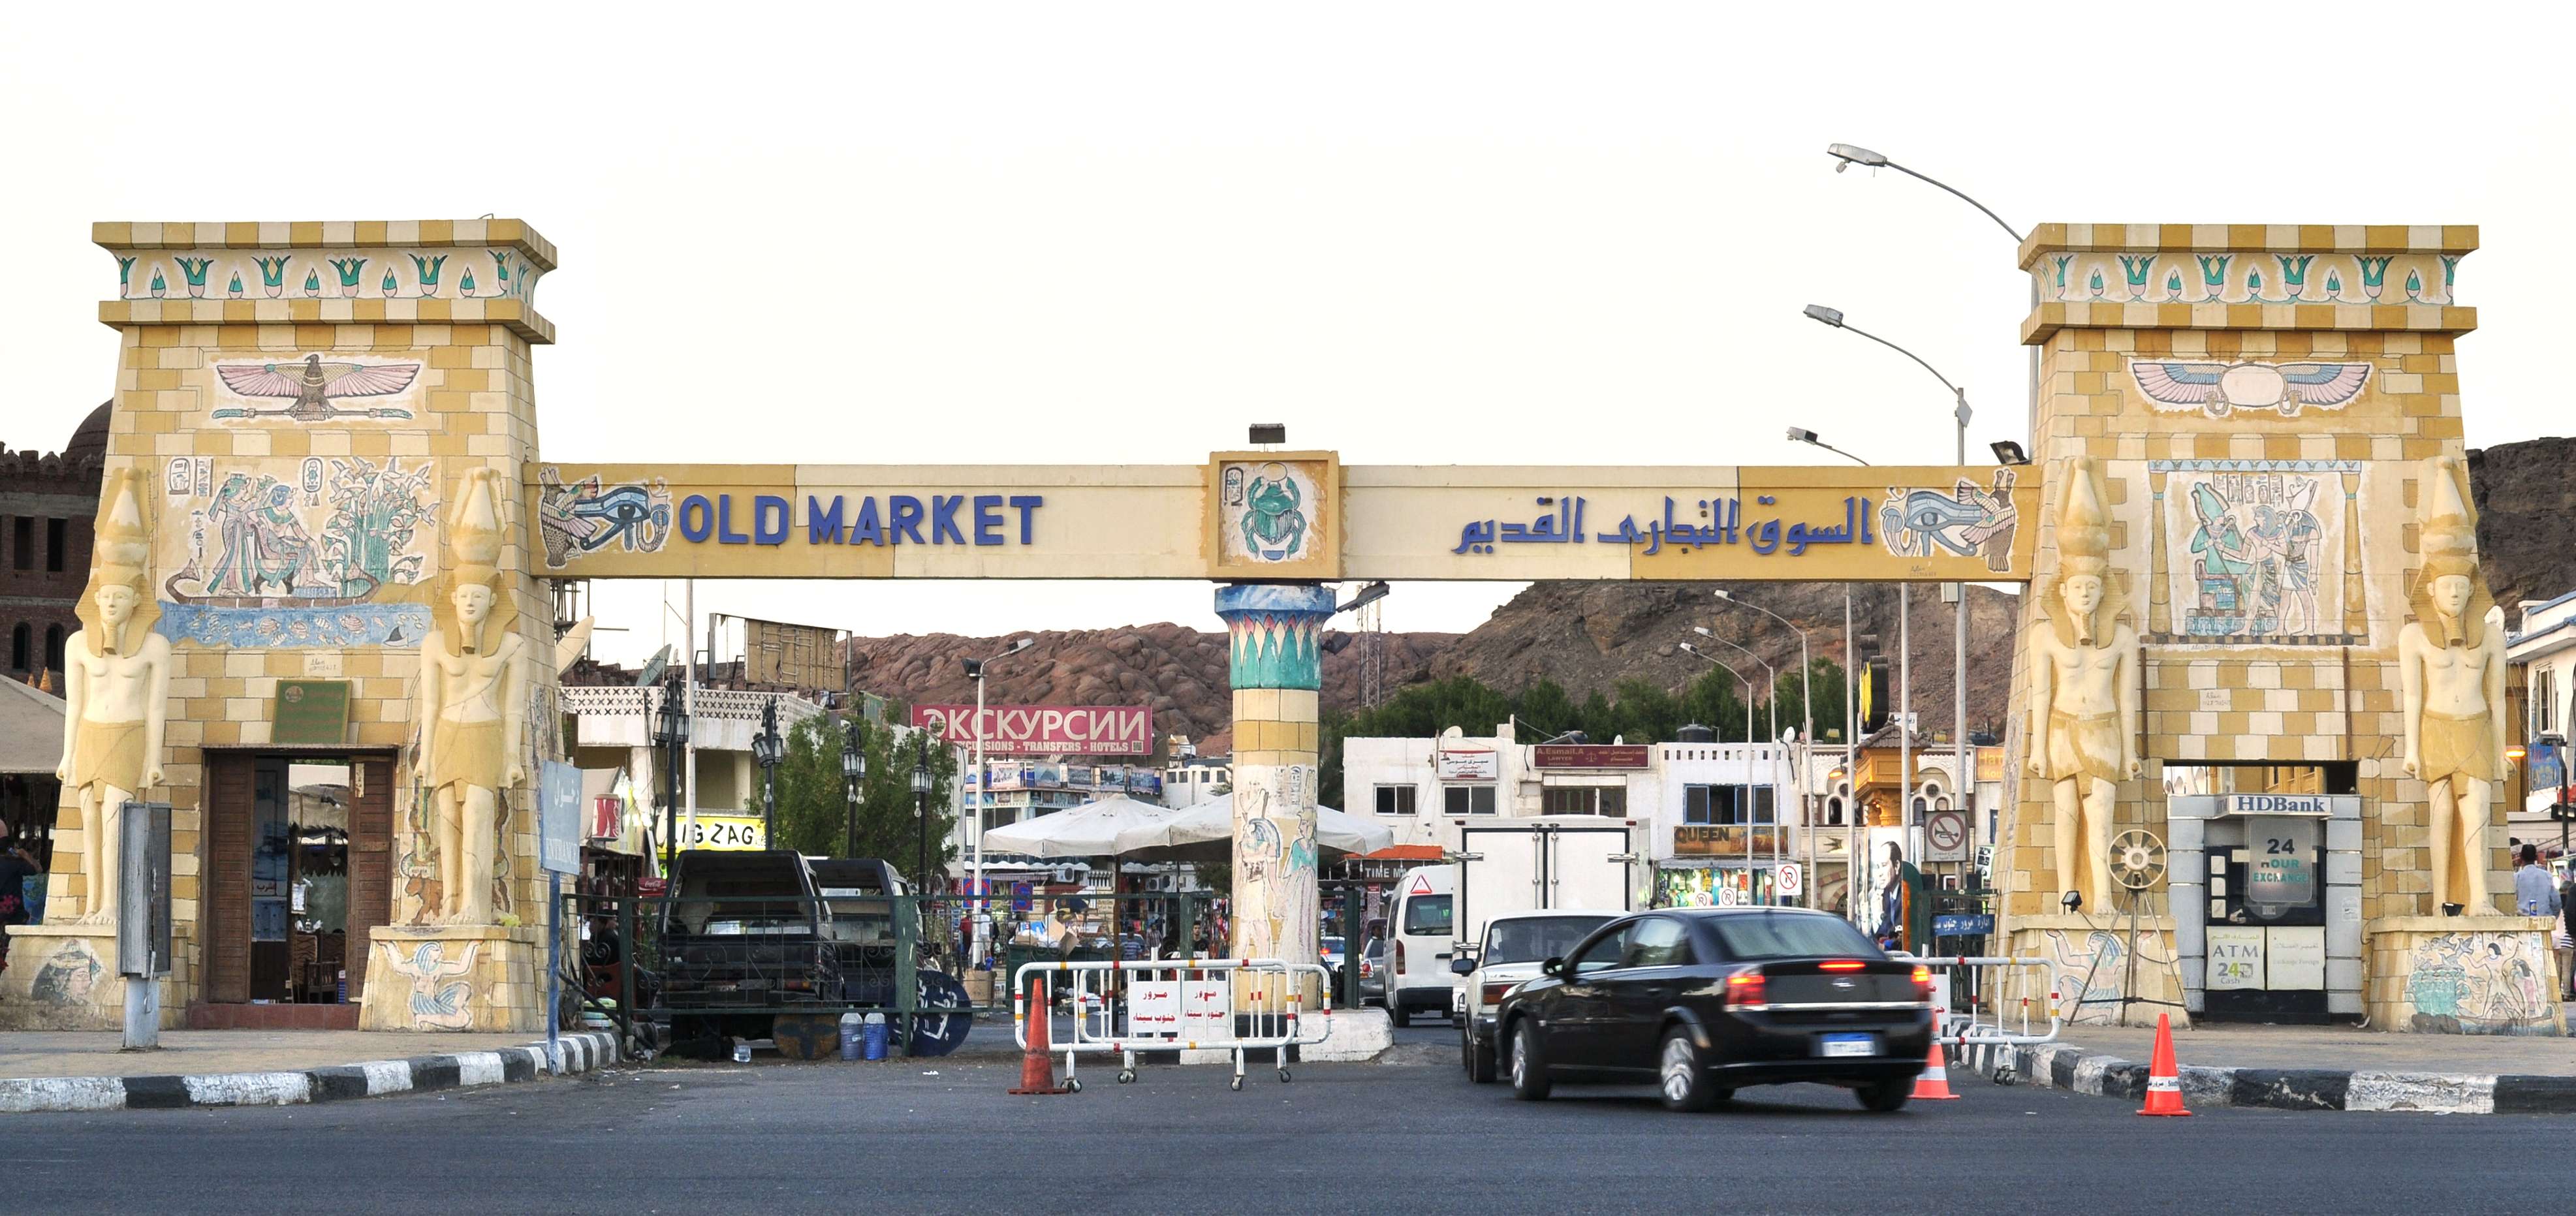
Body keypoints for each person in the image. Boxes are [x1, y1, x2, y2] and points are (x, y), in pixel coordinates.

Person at [0, 838, 43, 971]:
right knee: (6, 952)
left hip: (10, 915)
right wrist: (25, 855)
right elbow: (38, 869)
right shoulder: (14, 863)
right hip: (12, 916)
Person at [2513, 843, 2560, 918]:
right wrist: (2553, 917)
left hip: (2523, 921)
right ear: (2536, 858)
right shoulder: (2547, 876)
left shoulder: (2517, 877)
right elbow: (2556, 901)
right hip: (2544, 920)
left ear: (2521, 858)